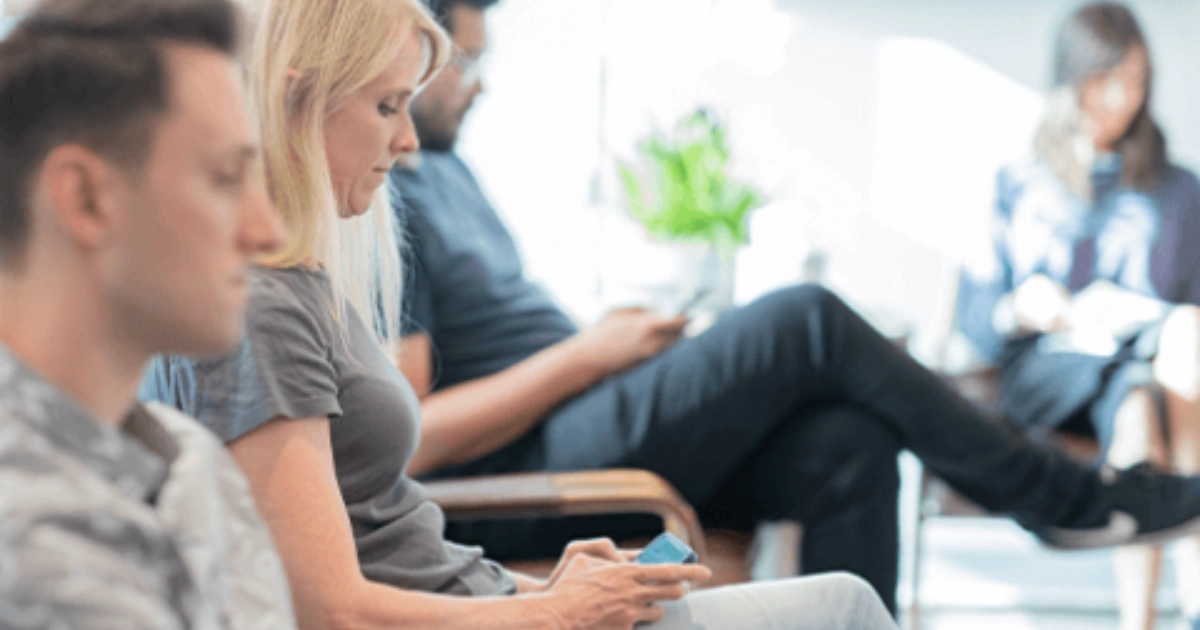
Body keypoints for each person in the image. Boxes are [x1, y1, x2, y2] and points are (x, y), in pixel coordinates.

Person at [391, 0, 1200, 614]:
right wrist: (589, 355)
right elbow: (416, 439)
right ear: (412, 50)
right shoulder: (391, 196)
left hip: (584, 407)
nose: (479, 81)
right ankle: (1063, 498)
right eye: (462, 61)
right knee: (806, 317)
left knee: (849, 439)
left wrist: (619, 350)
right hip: (529, 465)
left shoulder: (452, 172)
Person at [141, 0, 900, 628]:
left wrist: (559, 591)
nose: (406, 143)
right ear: (296, 96)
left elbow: (399, 549)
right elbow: (325, 608)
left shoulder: (302, 286)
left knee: (843, 448)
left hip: (498, 601)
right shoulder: (261, 309)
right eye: (385, 106)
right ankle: (1025, 483)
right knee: (847, 598)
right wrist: (556, 614)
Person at [0, 0, 296, 627]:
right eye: (224, 178)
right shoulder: (28, 541)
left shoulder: (189, 461)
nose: (267, 230)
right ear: (86, 197)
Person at [957, 3, 1200, 629]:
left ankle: (1159, 612)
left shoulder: (1176, 189)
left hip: (1157, 366)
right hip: (1051, 366)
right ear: (1072, 80)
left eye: (1138, 81)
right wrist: (1024, 306)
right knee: (1144, 394)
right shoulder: (1018, 184)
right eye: (1108, 79)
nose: (1124, 98)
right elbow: (976, 317)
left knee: (1164, 369)